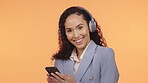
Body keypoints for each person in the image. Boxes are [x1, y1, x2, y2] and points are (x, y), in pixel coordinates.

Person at [46, 6, 119, 83]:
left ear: (90, 27)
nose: (76, 35)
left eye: (80, 28)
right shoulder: (60, 60)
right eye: (69, 30)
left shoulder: (105, 55)